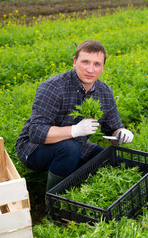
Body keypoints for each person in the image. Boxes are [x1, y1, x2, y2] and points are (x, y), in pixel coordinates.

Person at [15, 40, 134, 193]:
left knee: (105, 158)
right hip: (33, 149)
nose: (90, 69)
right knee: (70, 149)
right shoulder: (53, 87)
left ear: (103, 67)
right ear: (75, 61)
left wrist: (122, 134)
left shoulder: (104, 93)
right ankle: (53, 201)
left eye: (97, 64)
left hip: (77, 145)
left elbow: (113, 129)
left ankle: (80, 194)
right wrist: (75, 131)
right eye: (85, 62)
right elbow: (36, 132)